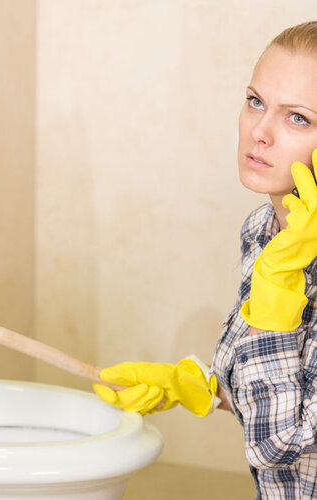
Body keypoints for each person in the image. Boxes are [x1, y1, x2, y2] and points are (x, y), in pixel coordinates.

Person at [93, 21, 317, 499]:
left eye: (298, 118)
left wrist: (279, 279)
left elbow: (280, 442)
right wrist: (198, 385)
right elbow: (286, 385)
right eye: (256, 101)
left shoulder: (282, 259)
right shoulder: (263, 229)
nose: (259, 131)